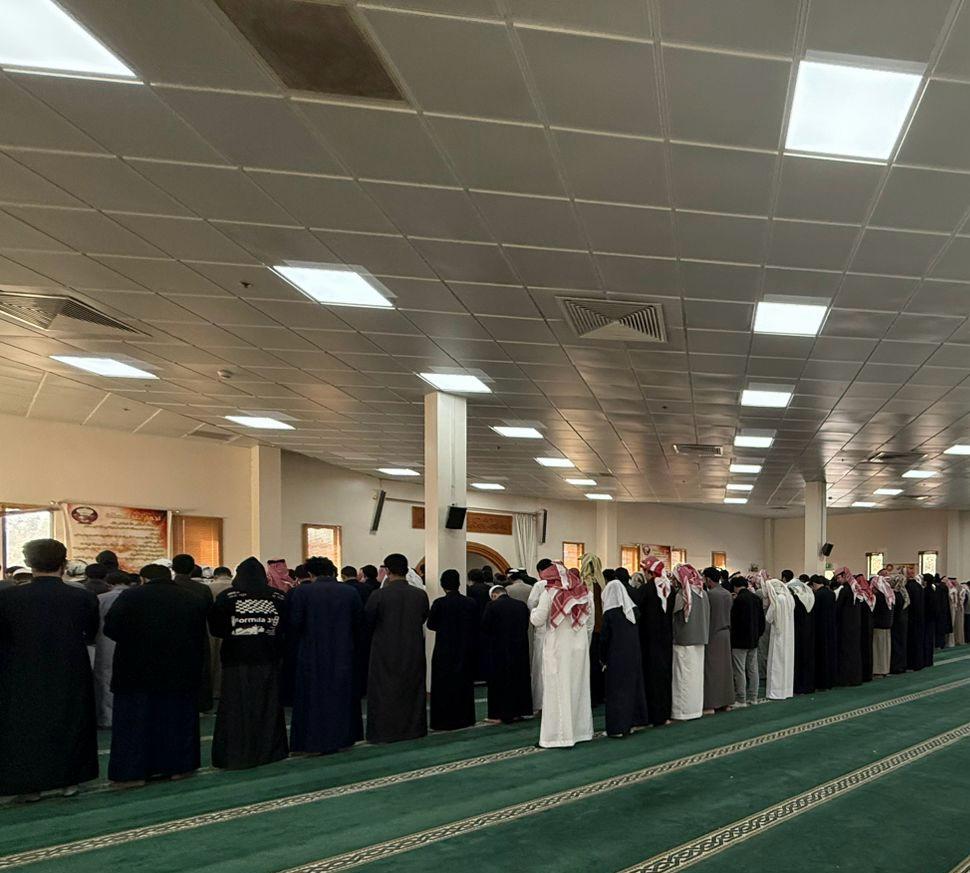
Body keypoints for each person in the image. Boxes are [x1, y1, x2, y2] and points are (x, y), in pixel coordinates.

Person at [0, 539, 99, 800]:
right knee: (70, 721)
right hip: (70, 668)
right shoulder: (82, 597)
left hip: (21, 671)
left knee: (24, 725)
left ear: (29, 563)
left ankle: (27, 786)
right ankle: (68, 781)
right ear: (64, 563)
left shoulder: (8, 597)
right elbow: (90, 632)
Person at [104, 563, 208, 787]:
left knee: (135, 724)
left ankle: (133, 774)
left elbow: (111, 629)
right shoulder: (191, 598)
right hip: (179, 670)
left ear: (143, 579)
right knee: (176, 721)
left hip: (135, 671)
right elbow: (200, 635)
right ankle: (178, 768)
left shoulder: (130, 597)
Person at [207, 558, 288, 769]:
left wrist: (241, 631)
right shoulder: (278, 596)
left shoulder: (227, 597)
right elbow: (286, 627)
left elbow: (216, 628)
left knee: (237, 707)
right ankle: (269, 751)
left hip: (236, 660)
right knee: (267, 705)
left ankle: (236, 753)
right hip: (269, 658)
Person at [287, 556, 364, 754]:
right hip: (343, 652)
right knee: (341, 696)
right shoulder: (350, 592)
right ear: (333, 571)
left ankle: (313, 741)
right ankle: (342, 738)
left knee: (312, 698)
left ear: (310, 573)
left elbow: (295, 623)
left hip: (311, 653)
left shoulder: (302, 592)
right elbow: (358, 623)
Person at [365, 554, 429, 743]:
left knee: (384, 692)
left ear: (387, 571)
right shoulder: (420, 595)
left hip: (384, 651)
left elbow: (368, 622)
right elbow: (423, 617)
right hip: (413, 650)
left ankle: (385, 732)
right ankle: (413, 729)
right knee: (412, 690)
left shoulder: (378, 595)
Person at [530, 560, 593, 748]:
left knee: (557, 689)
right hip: (579, 648)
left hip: (558, 648)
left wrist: (533, 611)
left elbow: (537, 619)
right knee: (577, 688)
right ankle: (580, 732)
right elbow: (589, 622)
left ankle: (557, 736)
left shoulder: (549, 594)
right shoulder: (584, 593)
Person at [427, 569, 479, 731]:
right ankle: (465, 719)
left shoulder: (439, 603)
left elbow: (431, 624)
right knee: (463, 684)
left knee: (443, 686)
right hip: (465, 648)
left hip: (444, 649)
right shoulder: (470, 603)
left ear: (443, 585)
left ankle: (443, 721)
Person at [599, 578, 648, 737]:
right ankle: (633, 722)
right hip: (633, 655)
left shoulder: (610, 614)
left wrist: (602, 658)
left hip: (616, 657)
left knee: (617, 693)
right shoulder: (633, 610)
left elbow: (604, 639)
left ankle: (618, 728)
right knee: (632, 688)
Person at [482, 585, 532, 724]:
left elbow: (485, 627)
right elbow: (526, 625)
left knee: (499, 683)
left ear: (494, 595)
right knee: (518, 680)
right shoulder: (521, 605)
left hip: (499, 651)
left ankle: (497, 715)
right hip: (520, 650)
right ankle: (518, 712)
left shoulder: (492, 606)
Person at [93, 570, 137, 728]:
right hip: (134, 642)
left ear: (108, 583)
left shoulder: (101, 598)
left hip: (105, 642)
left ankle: (107, 718)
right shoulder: (137, 597)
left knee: (105, 678)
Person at [633, 556, 673, 726]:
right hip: (666, 640)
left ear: (649, 572)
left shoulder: (646, 589)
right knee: (664, 676)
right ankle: (665, 714)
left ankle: (653, 716)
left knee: (651, 678)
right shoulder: (669, 589)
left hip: (649, 641)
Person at [172, 553, 215, 712]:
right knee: (199, 671)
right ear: (192, 569)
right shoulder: (202, 589)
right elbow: (210, 615)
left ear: (173, 569)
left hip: (171, 637)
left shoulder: (168, 588)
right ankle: (201, 703)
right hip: (197, 635)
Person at [670, 563, 708, 721]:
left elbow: (672, 615)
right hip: (700, 640)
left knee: (683, 679)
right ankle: (695, 709)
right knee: (696, 679)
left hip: (683, 641)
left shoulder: (683, 594)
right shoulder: (703, 593)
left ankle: (682, 712)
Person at [729, 574, 764, 708]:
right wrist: (757, 635)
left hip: (739, 640)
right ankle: (753, 697)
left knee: (739, 670)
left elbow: (734, 621)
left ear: (735, 587)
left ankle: (741, 699)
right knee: (753, 669)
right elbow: (761, 621)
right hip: (753, 639)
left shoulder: (739, 600)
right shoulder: (756, 598)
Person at [702, 566, 733, 714]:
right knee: (725, 670)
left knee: (712, 670)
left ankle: (711, 704)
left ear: (708, 579)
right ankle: (726, 703)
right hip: (725, 634)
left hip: (713, 634)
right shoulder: (727, 594)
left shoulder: (710, 595)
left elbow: (709, 618)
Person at [580, 553, 606, 708]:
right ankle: (599, 694)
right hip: (601, 627)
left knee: (589, 663)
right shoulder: (602, 583)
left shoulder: (584, 583)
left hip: (589, 628)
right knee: (598, 662)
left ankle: (590, 696)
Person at [764, 578, 795, 700]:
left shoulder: (777, 600)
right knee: (786, 662)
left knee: (776, 663)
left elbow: (769, 618)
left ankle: (776, 692)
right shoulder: (789, 598)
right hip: (789, 635)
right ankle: (786, 690)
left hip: (778, 635)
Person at [787, 575, 816, 694]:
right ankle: (808, 685)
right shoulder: (810, 596)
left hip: (798, 634)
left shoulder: (796, 599)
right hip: (809, 633)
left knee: (799, 659)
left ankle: (799, 686)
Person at [834, 568, 863, 687]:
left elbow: (838, 608)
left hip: (846, 626)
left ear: (844, 576)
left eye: (838, 577)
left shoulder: (845, 590)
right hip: (855, 626)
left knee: (846, 652)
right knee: (854, 651)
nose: (837, 580)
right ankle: (855, 678)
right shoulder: (855, 588)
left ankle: (846, 679)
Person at [526, 568, 549, 712]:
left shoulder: (541, 586)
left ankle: (540, 704)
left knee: (540, 669)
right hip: (556, 633)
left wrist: (535, 612)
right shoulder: (566, 586)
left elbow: (532, 604)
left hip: (542, 631)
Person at [809, 575, 837, 690]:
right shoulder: (831, 593)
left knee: (821, 655)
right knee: (830, 654)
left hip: (820, 628)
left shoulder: (817, 595)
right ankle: (830, 681)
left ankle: (821, 682)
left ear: (814, 584)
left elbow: (814, 613)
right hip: (831, 627)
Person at [871, 572, 895, 677]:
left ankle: (878, 669)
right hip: (887, 626)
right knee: (885, 650)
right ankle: (885, 669)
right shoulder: (888, 596)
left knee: (878, 650)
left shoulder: (878, 597)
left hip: (878, 626)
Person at [889, 571, 909, 674]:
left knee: (896, 644)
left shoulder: (896, 594)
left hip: (897, 622)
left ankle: (896, 667)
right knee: (902, 643)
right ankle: (902, 665)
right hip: (903, 621)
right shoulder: (904, 592)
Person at [905, 567, 925, 671]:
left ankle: (911, 664)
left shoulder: (908, 586)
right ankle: (919, 663)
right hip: (920, 617)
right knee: (918, 640)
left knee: (911, 642)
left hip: (911, 618)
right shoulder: (919, 586)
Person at [856, 575, 875, 683]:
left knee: (864, 650)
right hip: (870, 626)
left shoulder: (861, 595)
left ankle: (864, 674)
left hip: (863, 627)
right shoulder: (870, 594)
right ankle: (868, 674)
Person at [922, 573, 937, 667]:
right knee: (930, 639)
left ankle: (926, 660)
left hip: (926, 618)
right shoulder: (933, 590)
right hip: (931, 618)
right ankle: (929, 660)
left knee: (926, 639)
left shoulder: (925, 592)